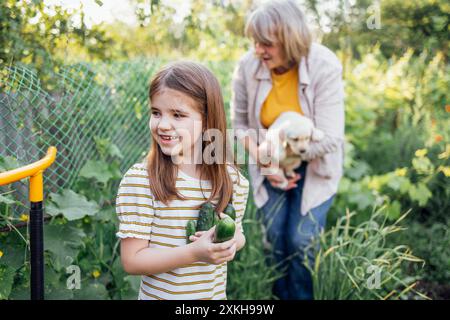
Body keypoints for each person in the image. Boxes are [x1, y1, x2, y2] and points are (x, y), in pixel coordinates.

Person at [231, 0, 344, 300]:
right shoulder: (247, 66)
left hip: (314, 162)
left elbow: (330, 137)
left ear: (290, 39)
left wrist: (283, 157)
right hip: (267, 160)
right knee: (276, 237)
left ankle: (302, 295)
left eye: (266, 43)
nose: (258, 50)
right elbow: (240, 125)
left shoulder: (324, 64)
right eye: (255, 42)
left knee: (301, 239)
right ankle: (277, 296)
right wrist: (267, 162)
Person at [116, 61, 249, 300]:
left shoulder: (232, 180)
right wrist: (194, 252)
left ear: (207, 120)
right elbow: (132, 260)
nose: (163, 124)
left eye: (178, 115)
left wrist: (231, 244)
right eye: (156, 112)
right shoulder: (141, 180)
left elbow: (238, 234)